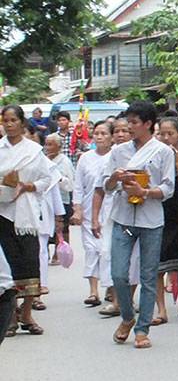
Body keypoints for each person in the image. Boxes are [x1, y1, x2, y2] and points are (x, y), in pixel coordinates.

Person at [101, 100, 176, 349]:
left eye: (134, 123)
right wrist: (115, 178)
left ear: (147, 124)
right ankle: (127, 316)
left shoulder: (163, 151)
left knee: (148, 275)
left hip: (151, 219)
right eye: (128, 122)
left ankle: (142, 329)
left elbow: (168, 188)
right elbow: (106, 186)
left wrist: (144, 192)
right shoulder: (118, 151)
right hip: (123, 216)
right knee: (118, 273)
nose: (129, 128)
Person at [0, 105, 54, 338]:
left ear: (22, 123)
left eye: (13, 120)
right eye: (6, 120)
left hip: (26, 214)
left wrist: (27, 186)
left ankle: (28, 313)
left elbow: (46, 179)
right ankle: (11, 316)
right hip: (3, 212)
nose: (9, 124)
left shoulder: (33, 150)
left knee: (30, 262)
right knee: (9, 265)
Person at [92, 116, 140, 318]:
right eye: (117, 131)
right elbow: (99, 190)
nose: (121, 135)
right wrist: (94, 218)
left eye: (125, 131)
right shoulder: (110, 158)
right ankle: (117, 299)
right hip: (113, 213)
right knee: (111, 255)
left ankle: (128, 299)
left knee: (136, 258)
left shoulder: (147, 153)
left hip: (141, 211)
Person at [152, 116, 178, 324]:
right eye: (162, 134)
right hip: (157, 212)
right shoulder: (153, 157)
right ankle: (161, 309)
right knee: (157, 263)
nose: (166, 138)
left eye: (170, 134)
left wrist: (177, 163)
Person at [72, 121, 113, 306]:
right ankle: (93, 291)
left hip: (111, 210)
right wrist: (77, 209)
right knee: (91, 249)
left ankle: (111, 288)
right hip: (89, 210)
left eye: (104, 133)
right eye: (96, 133)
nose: (99, 137)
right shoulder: (85, 158)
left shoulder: (116, 156)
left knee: (107, 250)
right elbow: (78, 186)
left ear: (111, 137)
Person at [41, 133, 74, 270]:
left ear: (59, 147)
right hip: (45, 199)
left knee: (61, 227)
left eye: (50, 144)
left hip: (62, 199)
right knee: (46, 227)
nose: (47, 147)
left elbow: (70, 184)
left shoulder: (65, 162)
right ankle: (45, 253)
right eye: (46, 144)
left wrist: (58, 179)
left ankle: (59, 253)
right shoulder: (42, 160)